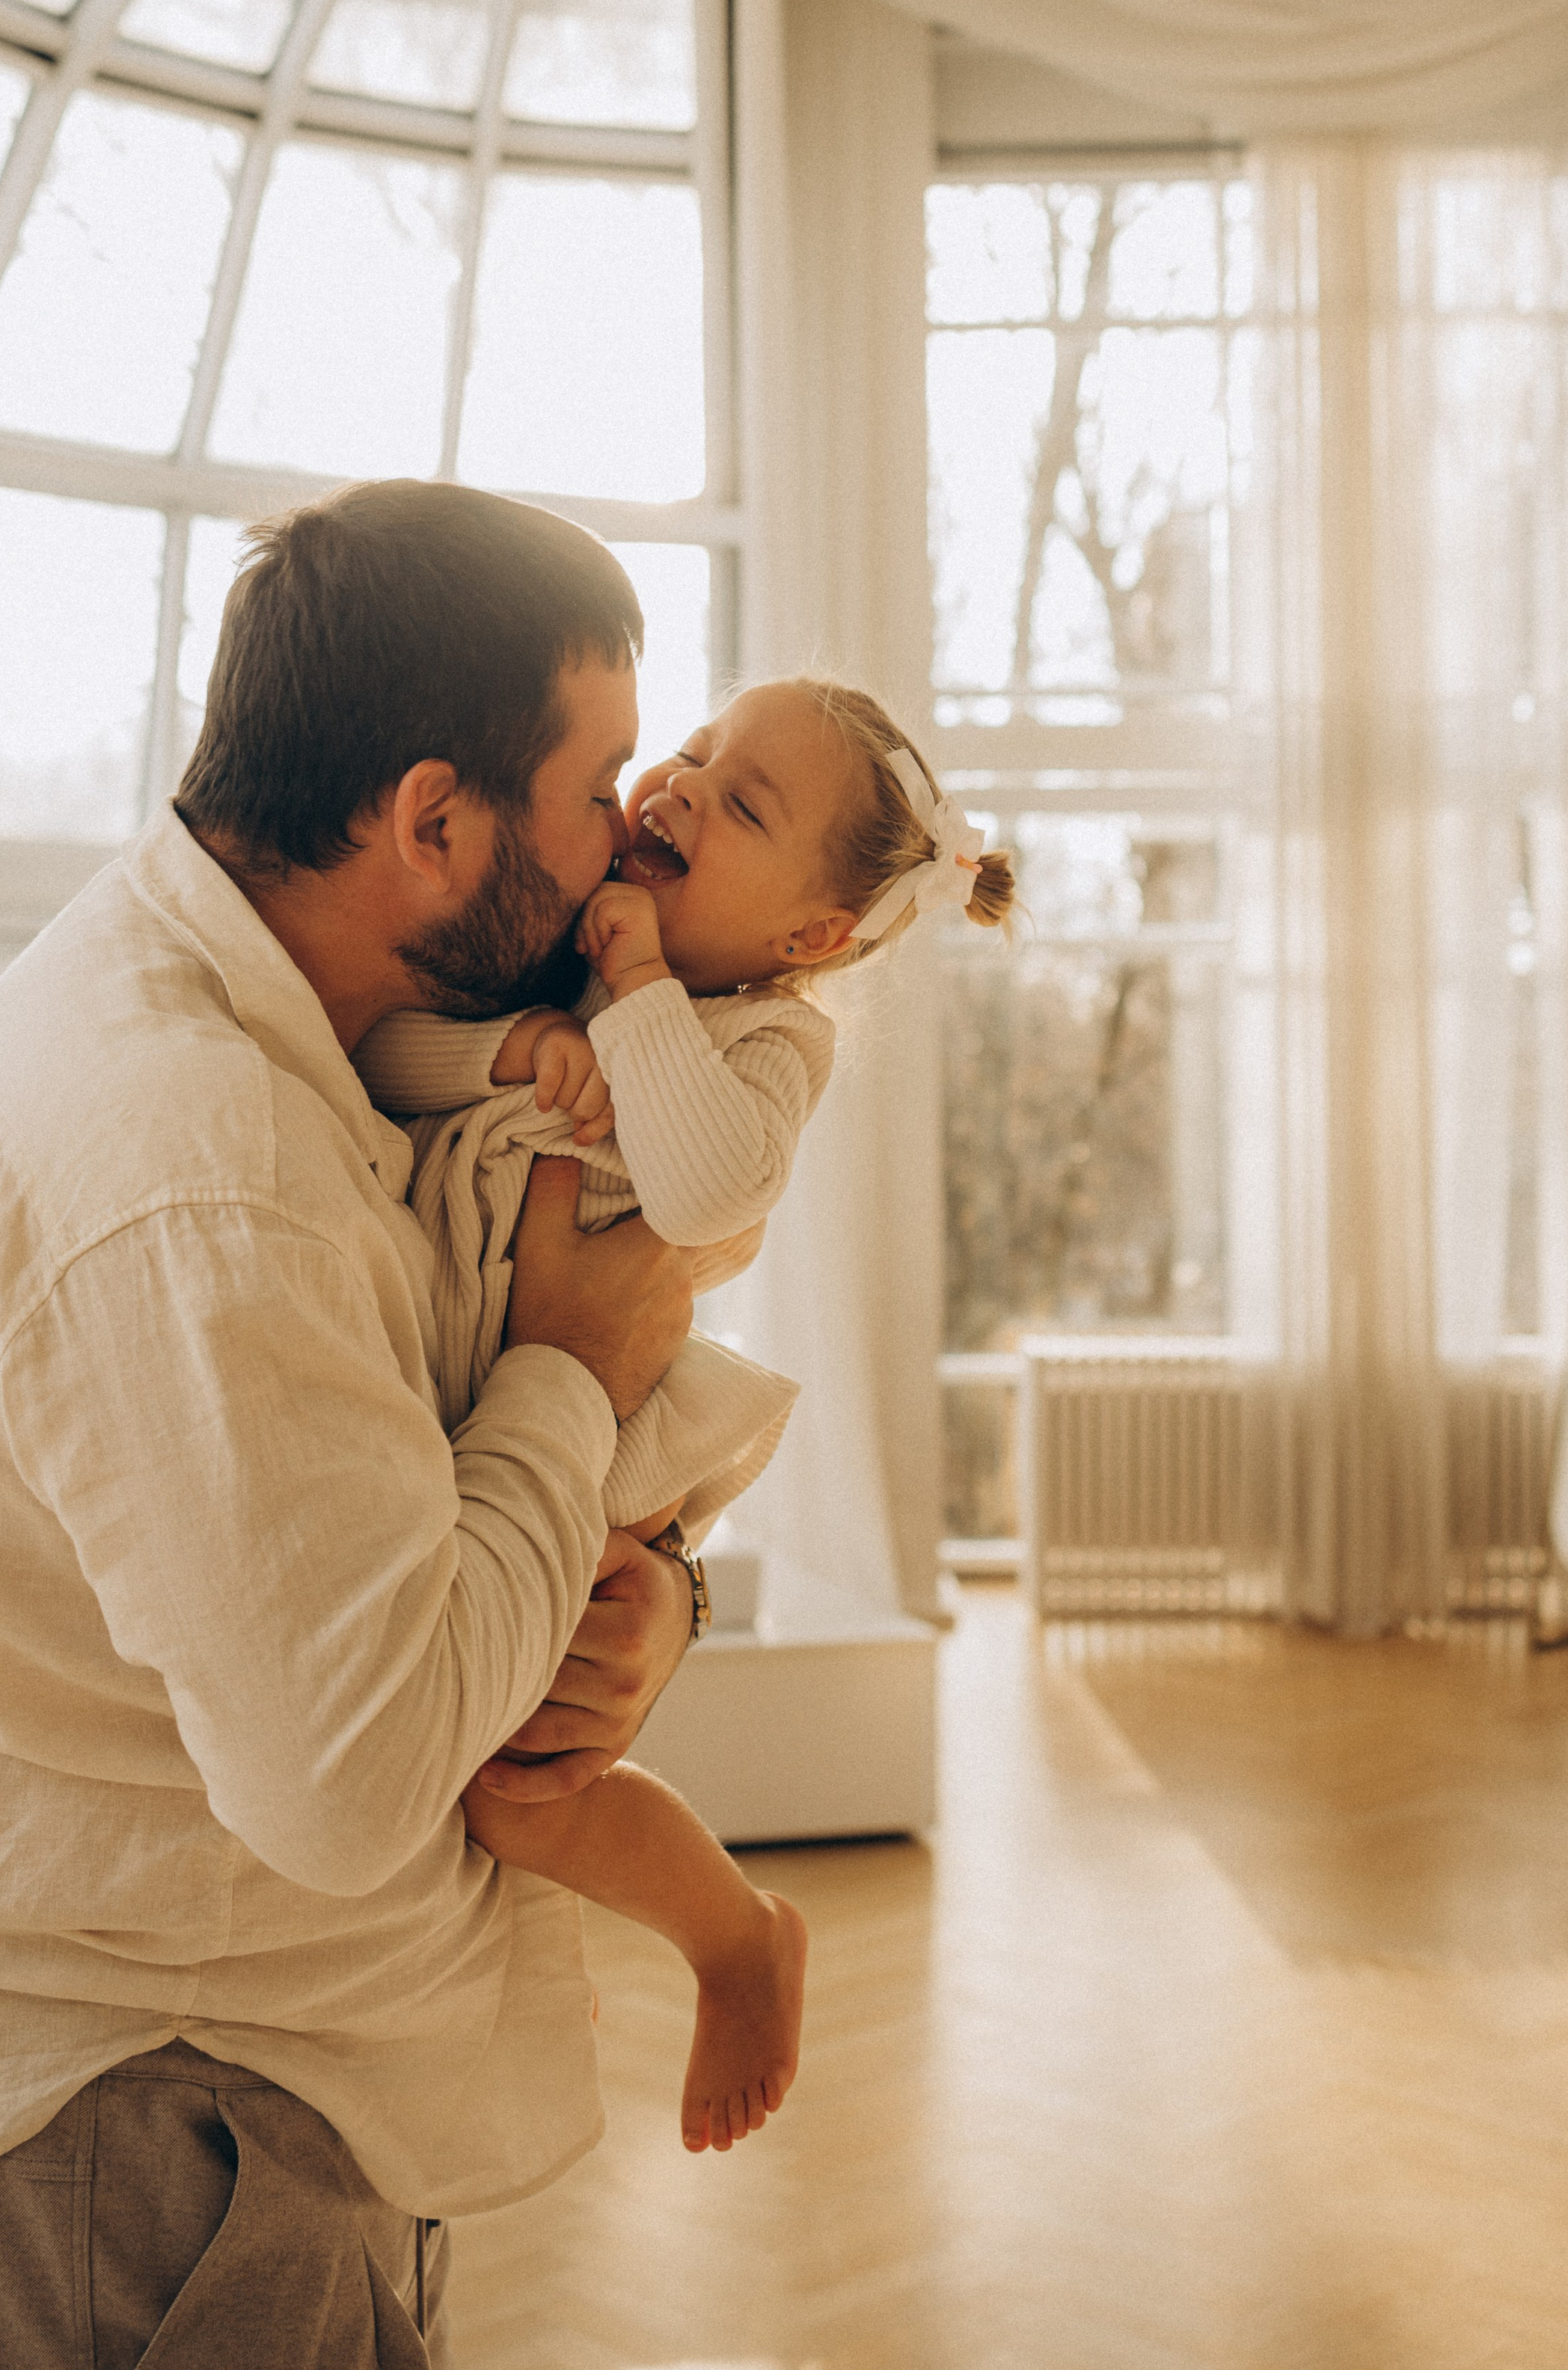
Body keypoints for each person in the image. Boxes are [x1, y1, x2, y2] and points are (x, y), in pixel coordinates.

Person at [0, 479, 709, 2370]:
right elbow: (357, 1774)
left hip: (217, 2108)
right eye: (598, 782)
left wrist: (635, 1605)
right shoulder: (197, 1161)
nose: (634, 842)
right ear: (431, 819)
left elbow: (390, 1541)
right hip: (119, 2156)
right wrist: (577, 1372)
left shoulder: (311, 1058)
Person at [358, 677, 1016, 2155]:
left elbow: (710, 1186)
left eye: (743, 804)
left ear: (809, 938)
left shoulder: (768, 1041)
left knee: (518, 1781)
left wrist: (637, 994)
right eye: (699, 753)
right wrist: (516, 1052)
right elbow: (383, 1065)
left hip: (594, 1437)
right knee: (441, 1716)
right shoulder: (561, 941)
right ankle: (515, 1964)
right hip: (458, 1397)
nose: (683, 788)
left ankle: (730, 1936)